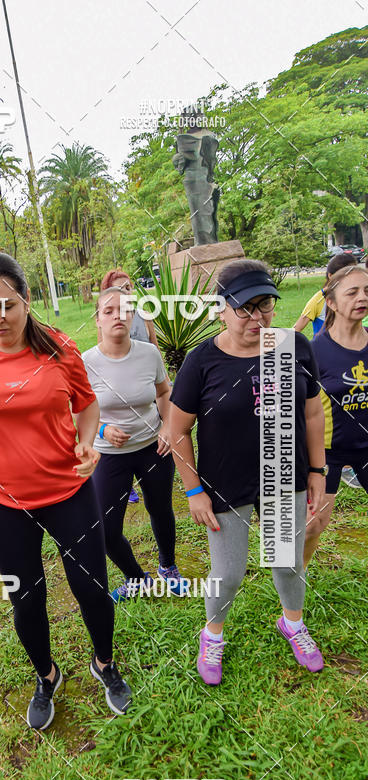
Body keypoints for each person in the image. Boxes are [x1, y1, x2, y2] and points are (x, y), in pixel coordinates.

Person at [0, 251, 131, 730]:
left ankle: (104, 664)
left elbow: (87, 406)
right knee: (26, 599)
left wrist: (88, 443)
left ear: (26, 299)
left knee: (91, 587)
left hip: (69, 492)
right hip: (3, 503)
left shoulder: (58, 346)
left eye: (7, 305)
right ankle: (45, 676)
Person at [169, 259, 327, 685]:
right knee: (229, 572)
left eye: (266, 306)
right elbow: (176, 430)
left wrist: (317, 469)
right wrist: (192, 491)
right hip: (225, 481)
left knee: (287, 562)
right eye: (244, 308)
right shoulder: (202, 361)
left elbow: (312, 413)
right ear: (220, 308)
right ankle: (212, 634)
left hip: (283, 474)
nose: (257, 318)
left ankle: (293, 623)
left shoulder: (293, 346)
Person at [83, 287, 186, 600]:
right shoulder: (86, 361)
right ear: (98, 319)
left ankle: (167, 567)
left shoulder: (148, 353)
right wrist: (101, 430)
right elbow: (78, 412)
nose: (118, 316)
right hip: (109, 456)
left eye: (125, 310)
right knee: (105, 531)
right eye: (109, 311)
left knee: (161, 511)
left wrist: (168, 427)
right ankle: (137, 578)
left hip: (153, 448)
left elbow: (164, 392)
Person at [303, 265, 368, 566]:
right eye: (352, 292)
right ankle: (295, 577)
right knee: (313, 525)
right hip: (327, 452)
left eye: (366, 291)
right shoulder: (315, 352)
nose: (361, 298)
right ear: (330, 302)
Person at [100, 269, 160, 503]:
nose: (127, 291)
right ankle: (127, 485)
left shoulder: (144, 315)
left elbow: (154, 346)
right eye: (121, 287)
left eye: (129, 287)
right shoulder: (108, 321)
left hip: (145, 377)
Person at [294, 252, 357, 338]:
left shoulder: (359, 297)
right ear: (331, 276)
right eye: (345, 275)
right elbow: (296, 329)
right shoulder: (319, 299)